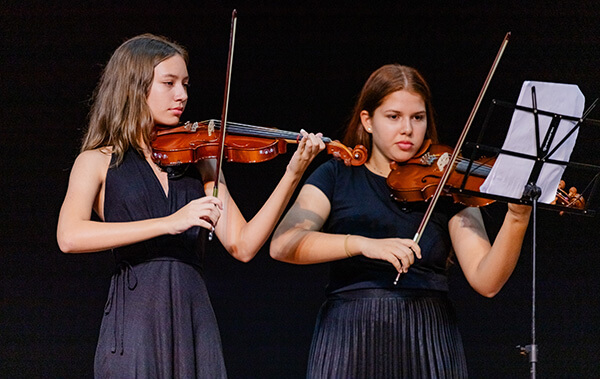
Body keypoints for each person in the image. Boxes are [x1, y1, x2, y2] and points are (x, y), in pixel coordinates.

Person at [56, 33, 325, 378]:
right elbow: (69, 235)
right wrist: (170, 222)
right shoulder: (96, 161)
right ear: (134, 87)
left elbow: (243, 245)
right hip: (136, 319)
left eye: (184, 83)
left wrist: (293, 173)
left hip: (193, 314)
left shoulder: (200, 161)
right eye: (168, 83)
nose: (182, 95)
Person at [270, 64, 532, 378]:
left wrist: (516, 219)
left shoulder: (446, 184)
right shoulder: (336, 175)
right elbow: (283, 244)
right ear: (367, 121)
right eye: (393, 117)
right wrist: (362, 244)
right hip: (350, 335)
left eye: (417, 117)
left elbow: (486, 281)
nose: (407, 129)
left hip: (427, 336)